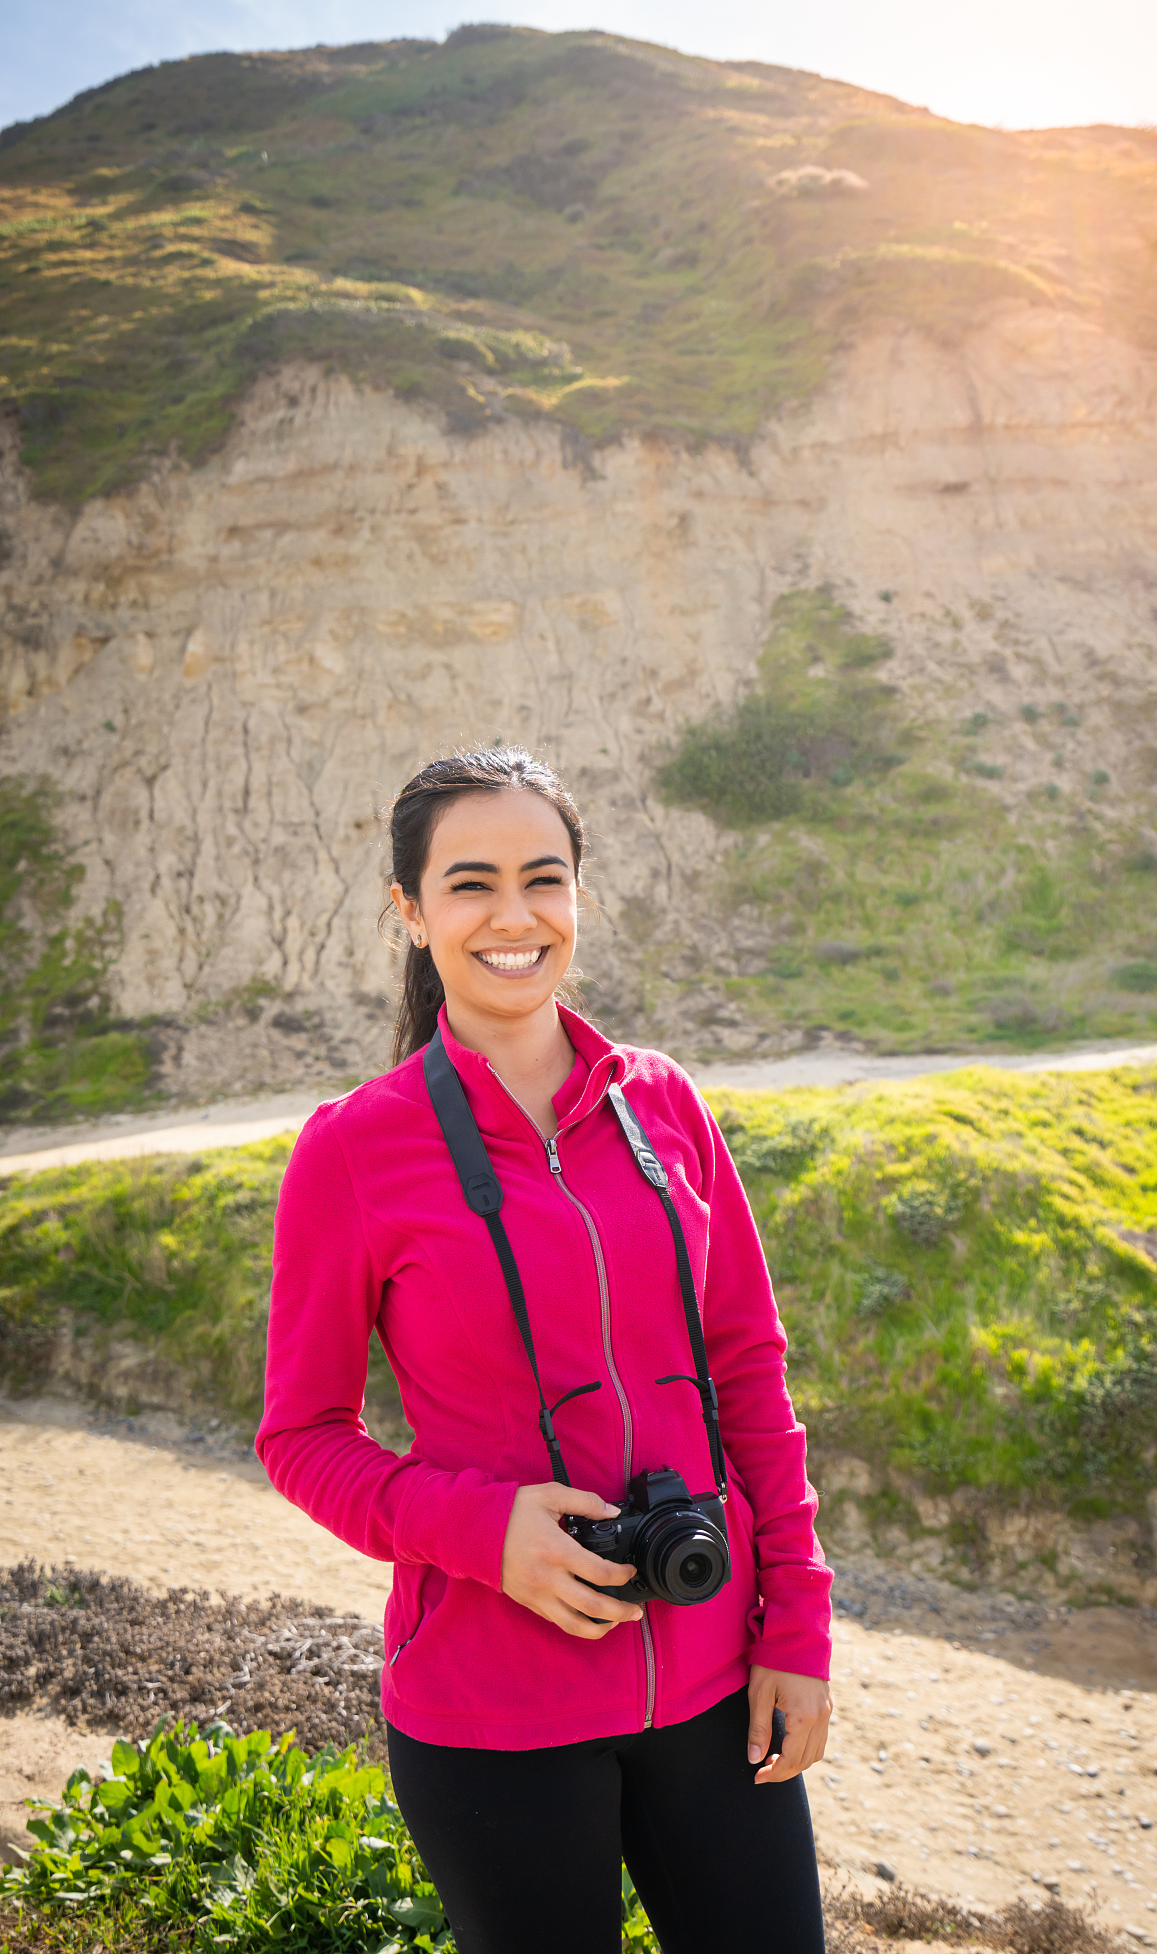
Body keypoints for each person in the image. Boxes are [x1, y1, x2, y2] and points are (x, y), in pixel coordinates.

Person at [257, 747, 833, 1953]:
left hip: (715, 1675)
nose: (513, 916)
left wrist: (796, 1626)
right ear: (410, 911)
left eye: (544, 878)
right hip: (487, 1711)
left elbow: (750, 1377)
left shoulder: (665, 1104)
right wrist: (485, 1530)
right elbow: (303, 1437)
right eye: (470, 884)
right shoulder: (353, 1150)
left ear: (579, 894)